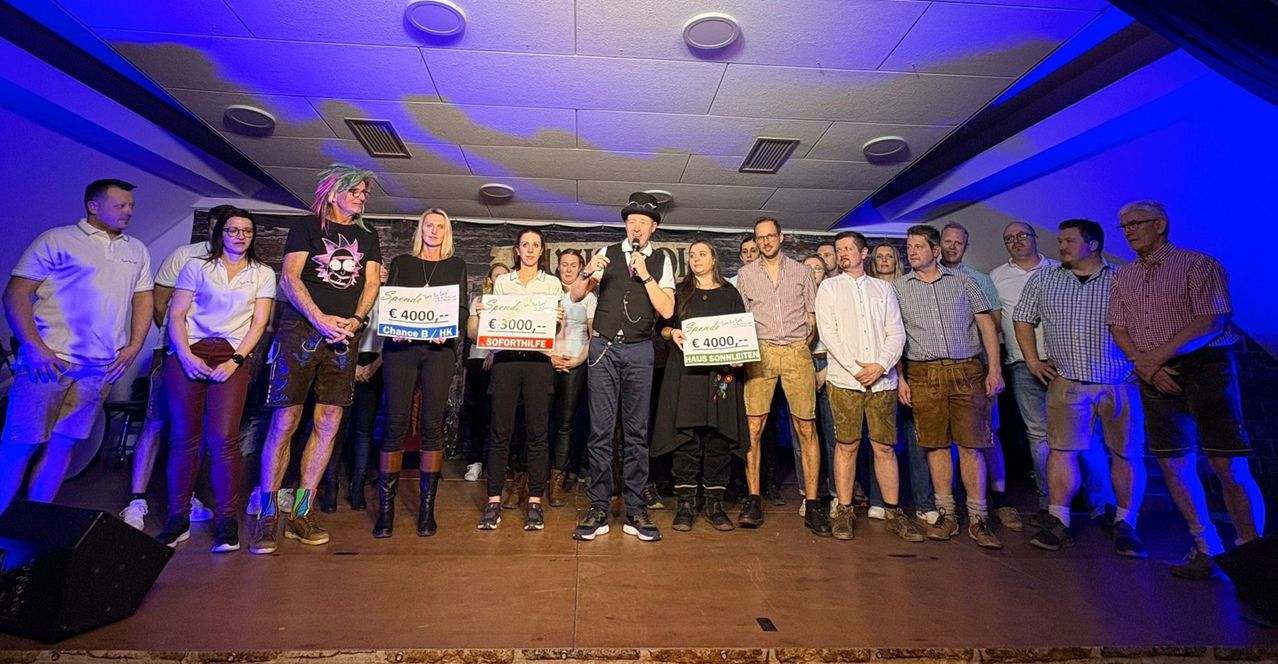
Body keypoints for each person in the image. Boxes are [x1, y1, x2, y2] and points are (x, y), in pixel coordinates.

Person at [1109, 200, 1266, 579]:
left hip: (1205, 367)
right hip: (1151, 369)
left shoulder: (1199, 265)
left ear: (1160, 225)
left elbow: (1211, 320)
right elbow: (1118, 326)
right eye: (1123, 226)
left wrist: (1154, 359)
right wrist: (1145, 364)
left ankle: (1251, 553)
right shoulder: (1124, 276)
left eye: (1136, 223)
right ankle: (1206, 548)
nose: (1129, 231)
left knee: (1226, 462)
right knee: (1173, 462)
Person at [249, 164, 382, 554]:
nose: (361, 196)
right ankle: (268, 514)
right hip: (302, 332)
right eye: (355, 190)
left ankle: (302, 512)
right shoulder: (307, 227)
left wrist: (355, 322)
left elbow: (371, 281)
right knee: (286, 419)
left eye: (364, 192)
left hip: (344, 336)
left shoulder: (368, 235)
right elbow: (289, 278)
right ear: (334, 191)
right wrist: (319, 319)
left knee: (328, 420)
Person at [0, 179, 153, 514]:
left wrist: (135, 344)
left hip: (98, 368)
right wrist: (34, 346)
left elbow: (144, 298)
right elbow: (16, 294)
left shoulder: (136, 249)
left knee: (63, 447)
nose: (128, 211)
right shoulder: (57, 239)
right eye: (120, 205)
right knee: (20, 446)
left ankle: (34, 529)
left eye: (131, 206)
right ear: (93, 205)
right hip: (48, 362)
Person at [1014, 219, 1147, 558]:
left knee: (1125, 453)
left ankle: (1125, 521)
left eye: (1069, 240)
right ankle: (1059, 519)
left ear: (1093, 245)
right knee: (1062, 451)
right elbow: (1023, 318)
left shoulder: (1123, 278)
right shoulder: (1045, 279)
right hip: (1069, 381)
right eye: (1060, 240)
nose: (1061, 246)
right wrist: (1031, 360)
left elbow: (1146, 321)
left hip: (1118, 380)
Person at [156, 210, 275, 552]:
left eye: (246, 230)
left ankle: (227, 521)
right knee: (183, 439)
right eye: (233, 229)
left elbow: (259, 323)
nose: (240, 235)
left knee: (224, 439)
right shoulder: (197, 266)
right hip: (189, 352)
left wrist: (236, 361)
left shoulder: (261, 274)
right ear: (220, 233)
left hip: (232, 356)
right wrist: (186, 356)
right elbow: (176, 314)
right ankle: (177, 517)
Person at [119, 204, 237, 530]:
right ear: (211, 227)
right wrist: (177, 345)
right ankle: (137, 500)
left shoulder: (240, 265)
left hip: (214, 359)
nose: (223, 232)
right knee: (155, 423)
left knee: (193, 431)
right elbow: (160, 304)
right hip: (172, 354)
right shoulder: (184, 256)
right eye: (218, 225)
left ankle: (186, 497)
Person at [570, 192, 675, 542]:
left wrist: (646, 276)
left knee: (636, 433)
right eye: (631, 221)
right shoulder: (607, 253)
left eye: (642, 223)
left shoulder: (661, 260)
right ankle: (599, 507)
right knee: (600, 432)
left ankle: (635, 509)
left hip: (639, 351)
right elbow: (575, 295)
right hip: (603, 349)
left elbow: (667, 311)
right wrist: (587, 271)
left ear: (653, 228)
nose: (636, 227)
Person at [895, 224, 1005, 549]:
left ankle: (979, 517)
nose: (912, 252)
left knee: (972, 445)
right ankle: (946, 513)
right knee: (935, 445)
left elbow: (987, 326)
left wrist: (994, 370)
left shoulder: (964, 281)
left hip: (966, 370)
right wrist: (901, 378)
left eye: (918, 246)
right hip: (923, 372)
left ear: (935, 251)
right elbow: (896, 337)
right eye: (909, 246)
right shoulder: (899, 288)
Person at [817, 232, 922, 542]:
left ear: (864, 253)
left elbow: (896, 333)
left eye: (849, 248)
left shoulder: (883, 290)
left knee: (884, 447)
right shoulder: (829, 287)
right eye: (839, 249)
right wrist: (855, 369)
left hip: (883, 382)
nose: (843, 253)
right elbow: (829, 333)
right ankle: (845, 510)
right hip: (844, 381)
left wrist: (880, 366)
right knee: (846, 445)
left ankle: (893, 511)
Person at [374, 208, 467, 538]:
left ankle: (426, 511)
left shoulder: (456, 265)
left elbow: (461, 308)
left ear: (446, 232)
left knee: (432, 424)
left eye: (440, 226)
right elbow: (390, 302)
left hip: (438, 353)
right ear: (421, 229)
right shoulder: (402, 262)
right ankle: (385, 513)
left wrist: (450, 329)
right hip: (401, 350)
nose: (433, 230)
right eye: (429, 225)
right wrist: (393, 326)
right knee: (395, 422)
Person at [735, 217, 831, 536]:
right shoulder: (745, 275)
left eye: (770, 236)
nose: (765, 242)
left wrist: (800, 346)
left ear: (781, 237)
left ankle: (814, 503)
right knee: (753, 426)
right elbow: (741, 318)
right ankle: (753, 498)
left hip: (795, 351)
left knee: (806, 426)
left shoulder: (802, 272)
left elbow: (813, 315)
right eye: (759, 237)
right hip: (760, 351)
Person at [652, 241, 748, 532]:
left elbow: (741, 331)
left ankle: (714, 504)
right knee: (687, 436)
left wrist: (740, 355)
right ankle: (685, 504)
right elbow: (661, 327)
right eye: (692, 255)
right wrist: (672, 333)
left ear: (714, 259)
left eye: (702, 254)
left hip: (720, 377)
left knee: (717, 436)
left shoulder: (731, 294)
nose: (696, 259)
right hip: (685, 374)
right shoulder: (680, 292)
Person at [938, 222, 1022, 532]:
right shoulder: (922, 279)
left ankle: (999, 500)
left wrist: (992, 370)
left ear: (965, 246)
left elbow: (993, 327)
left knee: (987, 436)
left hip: (976, 369)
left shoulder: (979, 281)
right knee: (946, 440)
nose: (951, 246)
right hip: (940, 373)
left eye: (957, 242)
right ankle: (955, 503)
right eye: (947, 241)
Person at [478, 227, 561, 531]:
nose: (529, 249)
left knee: (538, 434)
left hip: (538, 362)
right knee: (500, 432)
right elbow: (496, 323)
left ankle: (535, 502)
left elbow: (555, 327)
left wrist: (557, 321)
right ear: (517, 250)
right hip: (507, 361)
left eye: (535, 245)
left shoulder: (552, 285)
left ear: (542, 251)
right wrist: (484, 314)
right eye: (524, 244)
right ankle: (493, 501)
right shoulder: (503, 282)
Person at [869, 243, 937, 524]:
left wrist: (904, 376)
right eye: (879, 257)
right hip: (882, 370)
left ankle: (925, 501)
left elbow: (902, 334)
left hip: (913, 365)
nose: (884, 261)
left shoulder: (908, 287)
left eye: (890, 256)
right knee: (879, 441)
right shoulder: (869, 290)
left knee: (917, 438)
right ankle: (878, 499)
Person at [548, 249, 594, 507]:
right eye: (563, 264)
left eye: (573, 265)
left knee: (565, 424)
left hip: (575, 363)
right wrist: (549, 357)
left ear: (581, 268)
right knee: (542, 421)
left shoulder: (588, 297)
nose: (568, 269)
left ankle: (558, 481)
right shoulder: (550, 292)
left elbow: (593, 334)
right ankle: (536, 476)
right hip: (547, 361)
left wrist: (578, 360)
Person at [463, 264, 511, 481]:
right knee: (479, 412)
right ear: (491, 279)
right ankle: (475, 462)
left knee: (501, 416)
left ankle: (499, 463)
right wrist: (492, 348)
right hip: (479, 360)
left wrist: (497, 352)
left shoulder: (514, 303)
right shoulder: (479, 301)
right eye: (497, 275)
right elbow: (472, 332)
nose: (501, 278)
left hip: (503, 363)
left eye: (505, 275)